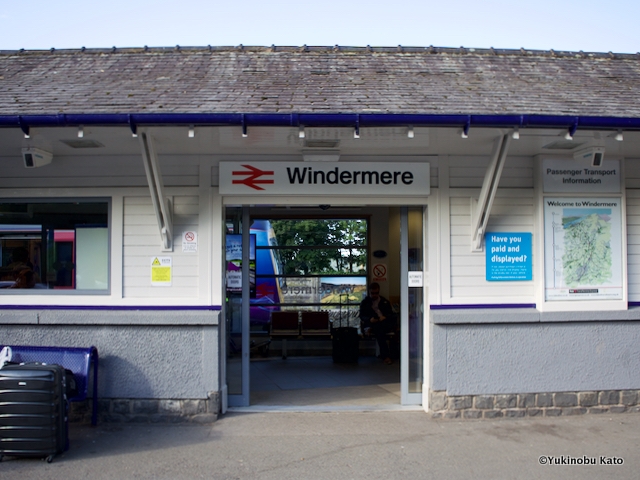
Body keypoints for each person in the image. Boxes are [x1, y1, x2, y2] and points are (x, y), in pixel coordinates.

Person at [359, 282, 397, 364]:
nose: (374, 295)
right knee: (379, 330)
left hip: (382, 322)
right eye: (372, 293)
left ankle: (389, 354)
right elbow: (362, 315)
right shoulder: (365, 303)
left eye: (376, 293)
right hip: (373, 323)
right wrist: (370, 319)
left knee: (380, 329)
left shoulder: (384, 301)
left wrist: (384, 317)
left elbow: (390, 313)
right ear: (369, 292)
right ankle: (386, 356)